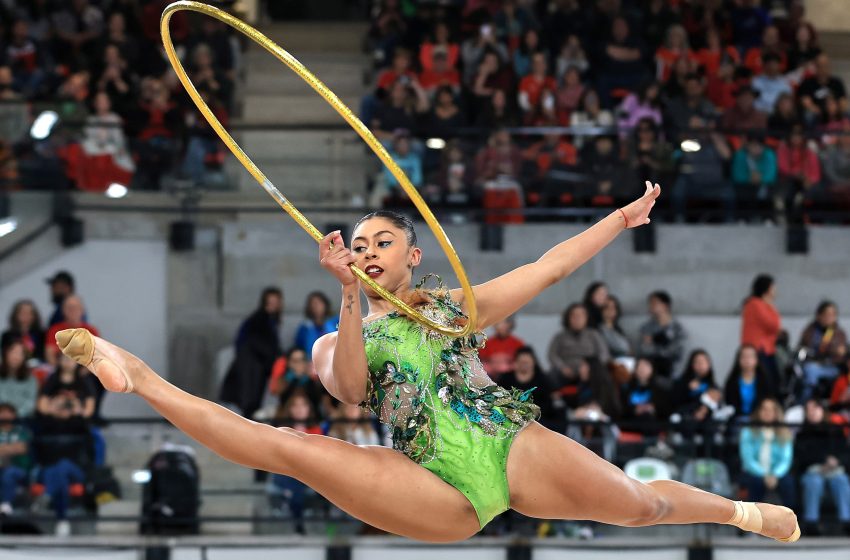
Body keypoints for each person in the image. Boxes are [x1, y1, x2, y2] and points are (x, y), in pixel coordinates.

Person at [54, 182, 800, 542]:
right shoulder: (334, 333)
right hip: (427, 477)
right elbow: (348, 391)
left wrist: (618, 219)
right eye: (360, 243)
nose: (370, 250)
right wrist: (347, 296)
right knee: (289, 449)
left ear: (415, 256)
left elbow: (547, 267)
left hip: (506, 444)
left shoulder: (452, 309)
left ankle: (740, 512)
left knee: (642, 506)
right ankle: (134, 371)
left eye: (384, 242)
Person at [219, 287, 283, 419]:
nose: (273, 305)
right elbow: (248, 342)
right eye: (270, 302)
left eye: (276, 302)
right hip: (252, 367)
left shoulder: (269, 320)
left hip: (255, 366)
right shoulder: (259, 320)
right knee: (249, 401)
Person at [268, 390, 323, 535]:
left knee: (298, 484)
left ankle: (291, 504)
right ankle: (297, 517)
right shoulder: (282, 430)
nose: (299, 409)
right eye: (295, 406)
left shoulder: (316, 430)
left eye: (303, 405)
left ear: (308, 409)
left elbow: (318, 457)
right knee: (293, 479)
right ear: (290, 409)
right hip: (286, 470)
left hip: (308, 472)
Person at [795, 399, 850, 536]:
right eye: (808, 410)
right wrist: (824, 461)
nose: (812, 412)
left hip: (835, 469)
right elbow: (801, 458)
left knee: (842, 480)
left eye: (815, 408)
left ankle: (846, 521)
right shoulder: (802, 434)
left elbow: (845, 453)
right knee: (814, 482)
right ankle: (811, 522)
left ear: (822, 410)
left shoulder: (836, 430)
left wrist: (836, 461)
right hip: (813, 470)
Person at [739, 398, 796, 512]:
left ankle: (790, 522)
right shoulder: (748, 431)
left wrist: (774, 475)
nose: (767, 412)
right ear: (758, 412)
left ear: (776, 413)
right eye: (764, 409)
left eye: (771, 410)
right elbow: (748, 459)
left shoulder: (784, 432)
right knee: (754, 482)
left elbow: (786, 459)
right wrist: (764, 475)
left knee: (788, 483)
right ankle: (750, 524)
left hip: (777, 473)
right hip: (755, 472)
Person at [500, 347, 564, 433]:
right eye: (521, 362)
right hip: (511, 419)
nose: (524, 365)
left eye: (527, 362)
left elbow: (550, 402)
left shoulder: (543, 379)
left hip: (540, 420)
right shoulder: (506, 378)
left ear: (533, 362)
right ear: (516, 362)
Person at [797, 301, 847, 402]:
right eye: (827, 314)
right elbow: (803, 347)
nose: (830, 318)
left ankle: (808, 401)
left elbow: (841, 351)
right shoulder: (811, 330)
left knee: (811, 371)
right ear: (819, 315)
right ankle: (805, 403)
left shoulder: (838, 332)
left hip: (832, 366)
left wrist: (830, 348)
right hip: (811, 363)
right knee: (806, 371)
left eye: (833, 314)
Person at [741, 274, 782, 392]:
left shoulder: (756, 304)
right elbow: (773, 325)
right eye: (773, 287)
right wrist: (770, 305)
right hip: (759, 349)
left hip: (765, 349)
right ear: (767, 289)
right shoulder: (756, 304)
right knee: (767, 381)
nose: (775, 291)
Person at [638, 291, 686, 380]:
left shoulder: (677, 328)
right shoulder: (646, 328)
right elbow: (644, 351)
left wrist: (654, 340)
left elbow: (677, 353)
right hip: (651, 375)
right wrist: (663, 344)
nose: (651, 306)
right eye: (650, 303)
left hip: (672, 374)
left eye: (654, 303)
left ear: (665, 306)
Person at [44, 295, 99, 367]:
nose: (72, 310)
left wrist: (82, 374)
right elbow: (49, 353)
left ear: (82, 310)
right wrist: (58, 372)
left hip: (85, 371)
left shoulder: (91, 331)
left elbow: (96, 356)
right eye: (69, 308)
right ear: (63, 310)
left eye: (76, 307)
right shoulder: (55, 330)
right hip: (60, 370)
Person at [620, 358, 670, 436]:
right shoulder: (626, 388)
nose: (642, 369)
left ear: (652, 369)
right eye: (640, 366)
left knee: (648, 419)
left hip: (652, 422)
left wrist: (652, 408)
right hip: (631, 421)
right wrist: (635, 410)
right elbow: (621, 408)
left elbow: (665, 410)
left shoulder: (660, 389)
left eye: (646, 366)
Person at [724, 345, 775, 420]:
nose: (747, 360)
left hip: (759, 420)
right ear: (738, 360)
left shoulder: (765, 381)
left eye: (750, 356)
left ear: (756, 360)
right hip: (737, 421)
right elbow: (729, 404)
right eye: (744, 356)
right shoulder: (732, 382)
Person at [0, 403, 31, 517]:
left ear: (14, 415)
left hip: (19, 469)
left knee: (9, 473)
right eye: (2, 412)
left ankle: (5, 505)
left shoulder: (21, 431)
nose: (4, 415)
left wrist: (3, 449)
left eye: (8, 412)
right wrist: (12, 448)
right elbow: (16, 447)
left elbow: (22, 448)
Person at [0, 341, 39, 418]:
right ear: (5, 354)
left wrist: (14, 415)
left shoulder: (31, 380)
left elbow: (31, 404)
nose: (16, 356)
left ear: (24, 358)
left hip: (21, 420)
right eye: (13, 352)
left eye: (20, 354)